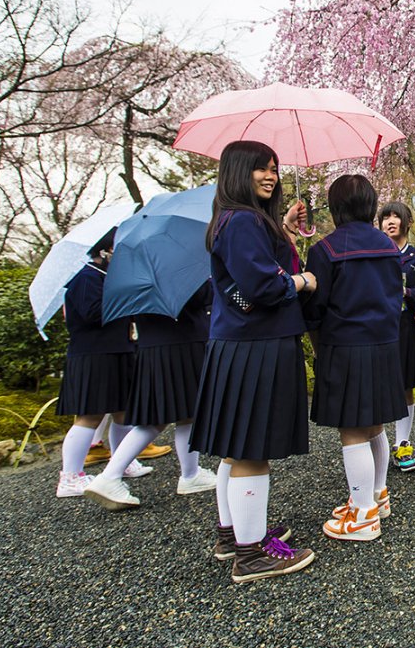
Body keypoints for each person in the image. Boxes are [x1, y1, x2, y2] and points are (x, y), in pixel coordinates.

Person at [189, 140, 316, 583]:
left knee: (235, 448)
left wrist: (279, 228)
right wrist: (300, 280)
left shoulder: (234, 219)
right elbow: (263, 287)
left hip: (237, 342)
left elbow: (248, 273)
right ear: (237, 173)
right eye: (260, 169)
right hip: (257, 345)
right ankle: (252, 553)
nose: (271, 176)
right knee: (252, 451)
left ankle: (234, 534)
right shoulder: (242, 221)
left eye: (274, 169)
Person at [303, 175, 406, 542]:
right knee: (375, 424)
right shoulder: (389, 246)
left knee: (352, 431)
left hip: (344, 346)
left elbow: (315, 309)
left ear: (334, 207)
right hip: (385, 345)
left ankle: (363, 516)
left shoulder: (324, 250)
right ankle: (377, 496)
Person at [84, 282, 218, 510]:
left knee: (186, 414)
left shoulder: (135, 272)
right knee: (160, 419)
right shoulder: (175, 268)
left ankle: (191, 474)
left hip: (153, 344)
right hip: (180, 343)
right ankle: (109, 477)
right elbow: (198, 297)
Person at [55, 228, 141, 497]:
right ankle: (69, 476)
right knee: (89, 416)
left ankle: (123, 462)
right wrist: (123, 300)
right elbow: (93, 313)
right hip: (93, 355)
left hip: (117, 351)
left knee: (123, 412)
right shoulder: (86, 278)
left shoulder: (105, 278)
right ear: (103, 251)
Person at [378, 201, 415, 472]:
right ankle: (379, 445)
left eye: (396, 217)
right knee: (378, 385)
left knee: (405, 385)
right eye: (386, 217)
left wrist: (406, 292)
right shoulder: (373, 255)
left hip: (404, 326)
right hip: (376, 328)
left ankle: (403, 442)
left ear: (408, 222)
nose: (390, 221)